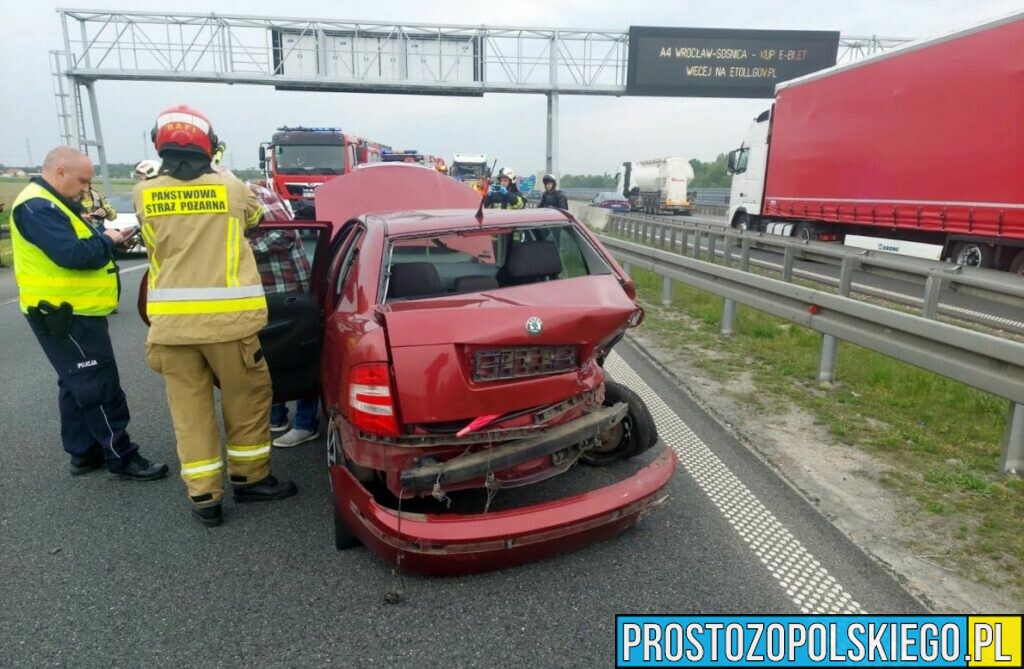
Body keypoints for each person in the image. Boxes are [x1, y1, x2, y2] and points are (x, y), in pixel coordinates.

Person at [135, 105, 297, 527]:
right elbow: (259, 221)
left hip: (170, 328)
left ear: (159, 144)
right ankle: (250, 480)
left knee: (189, 413)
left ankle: (205, 497)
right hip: (229, 325)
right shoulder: (234, 190)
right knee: (246, 402)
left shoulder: (143, 193)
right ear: (211, 146)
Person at [9, 146, 168, 480]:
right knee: (97, 383)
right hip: (64, 314)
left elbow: (76, 244)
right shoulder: (37, 206)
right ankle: (121, 456)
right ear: (60, 172)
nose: (85, 188)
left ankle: (83, 452)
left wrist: (108, 239)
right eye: (82, 180)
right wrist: (108, 240)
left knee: (74, 381)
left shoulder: (50, 202)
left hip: (69, 311)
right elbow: (72, 254)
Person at [245, 181, 321, 448]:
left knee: (300, 358)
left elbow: (285, 233)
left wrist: (240, 249)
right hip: (260, 290)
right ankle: (277, 416)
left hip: (288, 290)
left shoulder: (251, 194)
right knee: (267, 357)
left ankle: (305, 424)